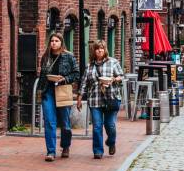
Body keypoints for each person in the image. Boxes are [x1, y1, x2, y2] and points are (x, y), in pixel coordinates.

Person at [77, 40, 124, 159]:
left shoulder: (113, 62)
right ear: (94, 50)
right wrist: (79, 98)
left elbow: (122, 77)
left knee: (110, 125)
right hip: (95, 99)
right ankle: (98, 151)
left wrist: (113, 80)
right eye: (97, 48)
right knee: (97, 126)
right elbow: (84, 83)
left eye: (102, 48)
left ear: (105, 50)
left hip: (111, 98)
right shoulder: (89, 66)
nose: (100, 50)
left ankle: (111, 142)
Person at [37, 32, 80, 161]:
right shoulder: (46, 56)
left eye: (56, 41)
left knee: (65, 124)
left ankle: (65, 146)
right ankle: (51, 151)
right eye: (52, 41)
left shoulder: (69, 56)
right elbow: (42, 75)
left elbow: (76, 74)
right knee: (50, 122)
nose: (54, 43)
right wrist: (40, 91)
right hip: (48, 91)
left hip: (62, 90)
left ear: (61, 42)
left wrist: (64, 79)